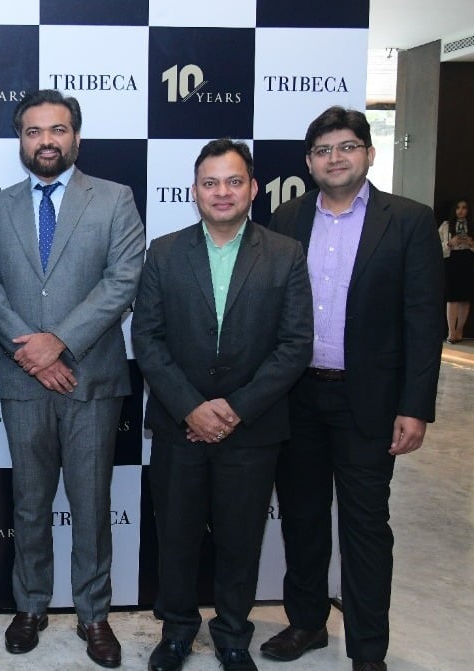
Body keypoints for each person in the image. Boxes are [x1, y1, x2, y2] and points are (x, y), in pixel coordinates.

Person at [262, 107, 442, 671]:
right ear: (308, 162)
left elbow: (424, 322)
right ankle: (307, 622)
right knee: (303, 518)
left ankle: (368, 650)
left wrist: (415, 407)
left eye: (346, 147)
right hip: (297, 397)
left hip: (370, 402)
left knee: (365, 528)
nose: (334, 158)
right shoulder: (287, 218)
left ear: (368, 153)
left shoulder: (408, 220)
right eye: (322, 150)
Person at [0, 89, 143, 668]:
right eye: (33, 131)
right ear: (20, 140)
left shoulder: (115, 199)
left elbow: (123, 281)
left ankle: (94, 614)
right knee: (29, 504)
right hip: (24, 383)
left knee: (91, 506)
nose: (46, 141)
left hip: (91, 381)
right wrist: (35, 354)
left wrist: (59, 342)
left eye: (58, 129)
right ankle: (31, 605)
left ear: (76, 137)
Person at [131, 139, 313, 671]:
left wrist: (234, 409)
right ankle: (176, 634)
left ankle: (233, 635)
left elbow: (295, 345)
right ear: (195, 191)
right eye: (210, 182)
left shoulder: (285, 254)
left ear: (253, 189)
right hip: (178, 427)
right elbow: (147, 338)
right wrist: (191, 408)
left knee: (240, 541)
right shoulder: (164, 252)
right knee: (177, 538)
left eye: (234, 181)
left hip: (252, 430)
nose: (222, 192)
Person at [439, 198, 474, 342]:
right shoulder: (446, 225)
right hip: (452, 261)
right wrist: (450, 243)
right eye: (458, 207)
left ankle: (460, 330)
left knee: (465, 298)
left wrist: (471, 244)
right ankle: (451, 331)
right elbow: (435, 245)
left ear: (468, 210)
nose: (460, 211)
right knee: (452, 297)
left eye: (464, 207)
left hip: (468, 261)